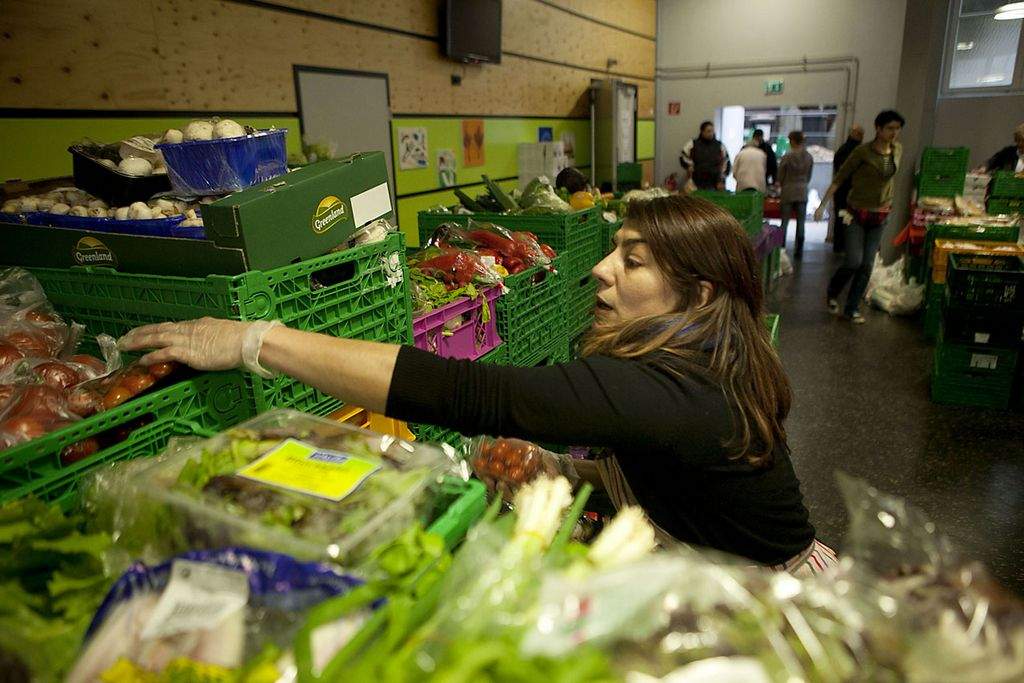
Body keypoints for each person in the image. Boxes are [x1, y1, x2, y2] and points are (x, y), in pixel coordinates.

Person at [120, 196, 836, 575]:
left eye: (634, 261)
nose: (600, 271)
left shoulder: (663, 389)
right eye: (613, 250)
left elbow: (468, 393)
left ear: (699, 293)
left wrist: (257, 341)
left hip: (762, 612)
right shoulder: (707, 363)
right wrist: (571, 469)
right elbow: (685, 482)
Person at [814, 110, 905, 324]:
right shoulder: (862, 152)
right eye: (890, 128)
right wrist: (822, 206)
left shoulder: (897, 150)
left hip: (880, 215)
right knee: (853, 261)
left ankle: (852, 307)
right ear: (878, 128)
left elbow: (889, 179)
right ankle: (832, 291)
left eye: (897, 129)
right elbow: (839, 178)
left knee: (867, 264)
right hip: (856, 213)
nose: (894, 133)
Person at [777, 131, 815, 259]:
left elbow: (780, 174)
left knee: (785, 222)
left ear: (793, 140)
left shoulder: (787, 156)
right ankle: (799, 251)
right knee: (801, 223)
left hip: (788, 190)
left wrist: (781, 183)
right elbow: (809, 175)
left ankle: (781, 248)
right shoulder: (809, 157)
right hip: (802, 191)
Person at [830, 125, 865, 253]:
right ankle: (844, 246)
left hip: (840, 192)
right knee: (848, 220)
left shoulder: (842, 149)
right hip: (849, 193)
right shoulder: (856, 152)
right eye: (860, 134)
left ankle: (839, 245)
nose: (862, 136)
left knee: (841, 219)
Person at [681, 121, 731, 190]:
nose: (711, 133)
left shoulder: (719, 145)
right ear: (702, 132)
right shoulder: (693, 144)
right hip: (697, 181)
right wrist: (689, 166)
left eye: (712, 131)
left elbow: (726, 161)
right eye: (708, 131)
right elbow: (684, 156)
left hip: (715, 182)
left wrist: (722, 179)